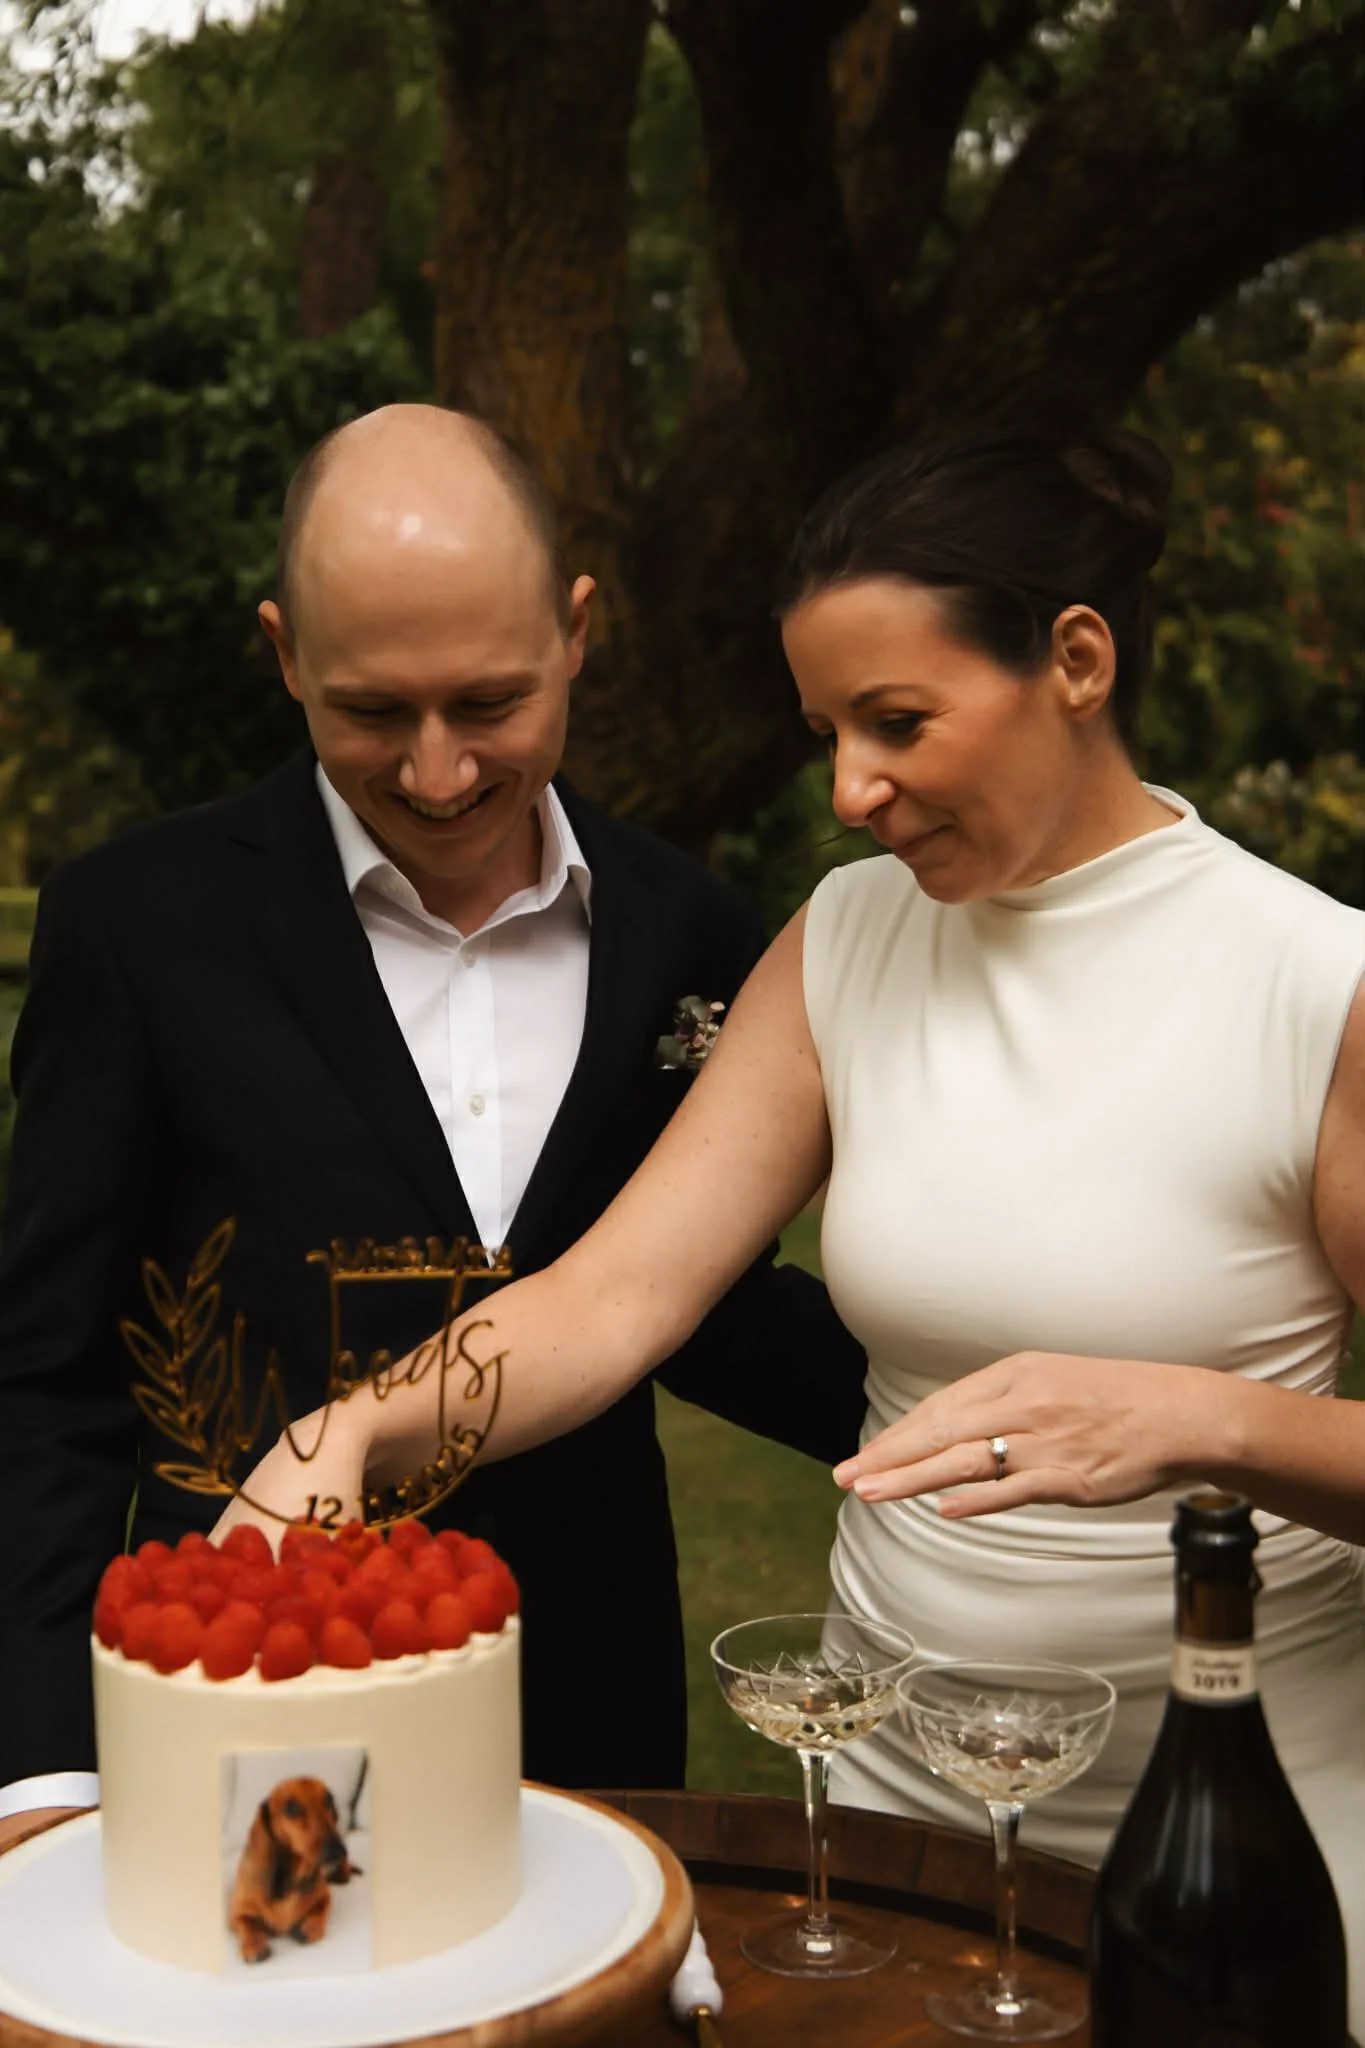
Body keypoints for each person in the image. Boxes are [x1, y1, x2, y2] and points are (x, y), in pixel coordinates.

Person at [224, 425, 1365, 2025]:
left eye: (898, 722)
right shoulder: (846, 939)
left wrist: (1197, 1421)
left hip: (1232, 1836)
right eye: (828, 731)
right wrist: (351, 1430)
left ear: (1077, 662)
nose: (848, 789)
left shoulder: (1314, 984)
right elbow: (614, 1297)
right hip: (891, 1820)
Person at [0, 403, 870, 1850]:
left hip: (590, 1698)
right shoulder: (137, 926)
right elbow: (47, 1377)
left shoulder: (687, 932)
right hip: (246, 1683)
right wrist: (41, 1770)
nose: (438, 771)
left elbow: (693, 1302)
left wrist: (967, 1401)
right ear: (286, 654)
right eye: (370, 712)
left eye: (489, 703)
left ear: (577, 632)